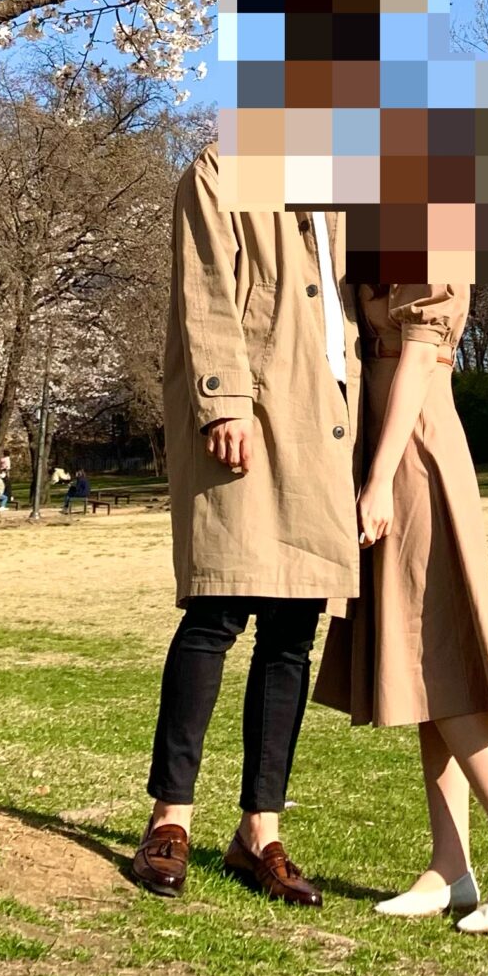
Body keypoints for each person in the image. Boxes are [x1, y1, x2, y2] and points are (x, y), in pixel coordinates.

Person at [128, 147, 360, 909]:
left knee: (294, 628)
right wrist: (224, 399)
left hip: (321, 419)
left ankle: (259, 831)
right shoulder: (222, 169)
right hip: (251, 411)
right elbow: (204, 290)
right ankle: (171, 819)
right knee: (216, 611)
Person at [316, 282, 488, 936]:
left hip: (416, 452)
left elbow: (422, 356)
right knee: (422, 663)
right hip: (392, 447)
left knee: (437, 651)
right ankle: (450, 865)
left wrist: (379, 478)